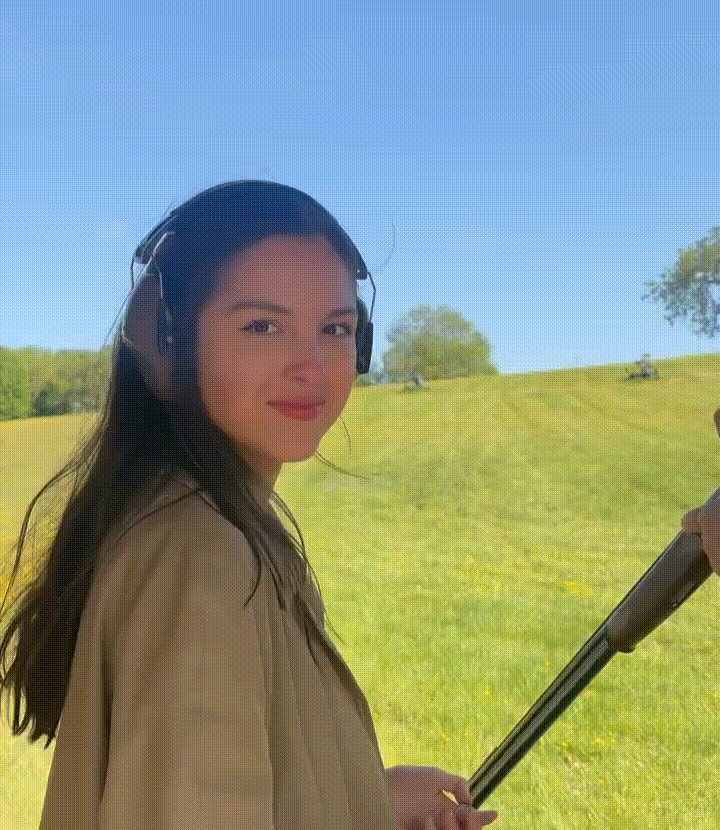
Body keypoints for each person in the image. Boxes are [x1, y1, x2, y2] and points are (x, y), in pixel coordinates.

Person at [0, 181, 500, 830]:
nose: (311, 366)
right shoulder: (202, 558)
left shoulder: (198, 523)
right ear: (168, 341)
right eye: (262, 326)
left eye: (335, 328)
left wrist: (369, 798)